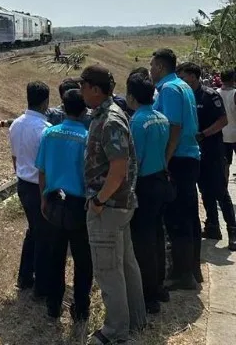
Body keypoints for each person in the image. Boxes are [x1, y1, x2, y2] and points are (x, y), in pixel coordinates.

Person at [79, 65, 146, 344]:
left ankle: (116, 331)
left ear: (95, 89)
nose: (79, 90)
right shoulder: (107, 115)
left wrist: (98, 200)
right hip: (119, 206)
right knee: (125, 265)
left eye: (83, 85)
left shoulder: (110, 120)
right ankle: (136, 320)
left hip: (109, 208)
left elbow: (118, 169)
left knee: (109, 271)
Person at [36, 89, 93, 321]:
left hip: (53, 202)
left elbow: (41, 170)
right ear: (84, 110)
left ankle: (53, 304)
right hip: (79, 206)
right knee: (83, 260)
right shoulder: (88, 137)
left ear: (63, 107)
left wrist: (43, 198)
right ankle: (81, 308)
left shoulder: (50, 134)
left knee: (55, 257)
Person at [150, 48, 201, 290]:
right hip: (189, 156)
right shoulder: (183, 86)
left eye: (152, 66)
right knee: (188, 214)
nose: (150, 70)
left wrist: (164, 161)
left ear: (160, 67)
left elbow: (174, 128)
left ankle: (182, 274)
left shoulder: (169, 89)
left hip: (178, 159)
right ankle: (191, 269)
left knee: (178, 217)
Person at [177, 63, 236, 250]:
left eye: (183, 75)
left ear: (193, 76)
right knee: (204, 190)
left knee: (220, 190)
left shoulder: (210, 95)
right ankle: (212, 227)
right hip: (195, 152)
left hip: (212, 150)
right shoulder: (186, 96)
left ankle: (233, 231)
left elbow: (223, 120)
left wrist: (204, 134)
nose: (181, 79)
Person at [125, 73, 171, 314]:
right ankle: (159, 286)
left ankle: (148, 294)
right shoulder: (162, 118)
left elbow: (135, 161)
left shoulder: (136, 121)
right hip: (161, 181)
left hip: (145, 184)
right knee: (157, 235)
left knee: (142, 241)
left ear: (131, 97)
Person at [8, 81, 52, 297]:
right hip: (39, 187)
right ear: (46, 102)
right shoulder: (45, 130)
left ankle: (25, 277)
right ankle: (41, 286)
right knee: (44, 235)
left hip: (23, 184)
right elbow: (47, 166)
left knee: (34, 231)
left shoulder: (15, 124)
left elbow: (15, 158)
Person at [0, 78, 92, 129]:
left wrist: (1, 123)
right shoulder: (92, 116)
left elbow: (28, 120)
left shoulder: (54, 114)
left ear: (62, 97)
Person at [217, 69, 236, 182]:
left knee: (225, 164)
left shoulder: (216, 93)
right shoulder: (234, 93)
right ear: (233, 78)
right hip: (234, 133)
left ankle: (224, 190)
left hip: (222, 134)